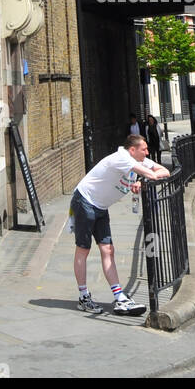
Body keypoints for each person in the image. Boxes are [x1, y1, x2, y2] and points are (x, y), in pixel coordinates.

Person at [70, 134, 169, 315]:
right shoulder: (122, 158)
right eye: (144, 149)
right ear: (132, 150)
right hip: (84, 201)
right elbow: (152, 174)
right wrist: (147, 176)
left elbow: (164, 171)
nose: (147, 152)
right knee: (83, 249)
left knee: (108, 250)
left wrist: (140, 181)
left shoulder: (140, 161)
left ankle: (120, 297)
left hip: (101, 206)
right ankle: (83, 297)